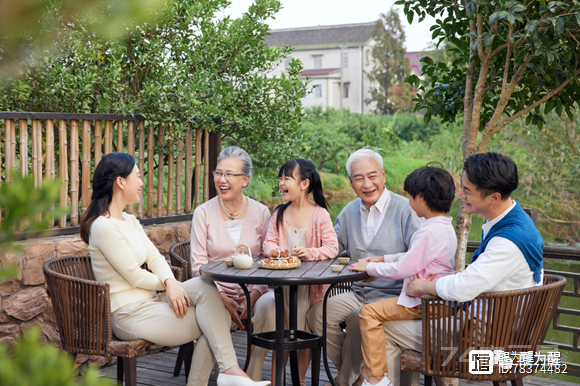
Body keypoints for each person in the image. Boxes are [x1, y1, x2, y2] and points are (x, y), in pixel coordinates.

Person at [79, 152, 271, 386]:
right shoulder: (103, 227)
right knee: (213, 319)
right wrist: (169, 285)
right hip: (128, 314)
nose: (141, 183)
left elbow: (154, 257)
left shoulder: (129, 220)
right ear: (121, 182)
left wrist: (171, 283)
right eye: (138, 177)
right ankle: (229, 372)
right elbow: (134, 275)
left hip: (151, 304)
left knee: (206, 288)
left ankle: (228, 372)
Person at [383, 152, 544, 386]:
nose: (460, 195)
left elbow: (462, 289)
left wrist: (423, 286)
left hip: (486, 341)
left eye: (467, 190)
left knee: (385, 328)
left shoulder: (508, 241)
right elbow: (481, 278)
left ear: (494, 197)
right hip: (503, 329)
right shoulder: (516, 221)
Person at [306, 148, 421, 386]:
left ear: (383, 175)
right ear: (351, 182)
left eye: (372, 176)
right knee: (317, 315)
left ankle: (343, 381)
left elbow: (417, 258)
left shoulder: (406, 210)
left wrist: (378, 266)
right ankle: (357, 377)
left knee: (359, 319)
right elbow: (332, 248)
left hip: (394, 297)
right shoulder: (348, 212)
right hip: (358, 293)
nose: (367, 184)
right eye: (359, 178)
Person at [349, 165, 457, 386]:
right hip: (431, 299)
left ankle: (376, 378)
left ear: (422, 198)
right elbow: (412, 256)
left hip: (423, 301)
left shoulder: (428, 231)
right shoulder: (443, 226)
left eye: (410, 196)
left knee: (368, 313)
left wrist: (369, 269)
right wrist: (381, 259)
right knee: (374, 316)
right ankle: (378, 377)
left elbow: (404, 269)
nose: (408, 201)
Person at [189, 146, 275, 383]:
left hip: (255, 291)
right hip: (215, 294)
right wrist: (221, 297)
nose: (222, 180)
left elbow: (266, 261)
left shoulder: (261, 212)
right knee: (213, 328)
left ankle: (252, 375)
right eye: (218, 173)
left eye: (230, 174)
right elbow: (197, 266)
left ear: (245, 180)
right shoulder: (203, 213)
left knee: (270, 308)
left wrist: (256, 293)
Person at [262, 159, 339, 386]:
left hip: (311, 289)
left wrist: (310, 252)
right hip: (283, 288)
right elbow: (268, 244)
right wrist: (276, 250)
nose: (281, 183)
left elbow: (332, 248)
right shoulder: (278, 212)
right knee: (282, 335)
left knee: (302, 334)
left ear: (304, 184)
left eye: (287, 178)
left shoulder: (320, 214)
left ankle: (300, 381)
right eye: (281, 178)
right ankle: (278, 382)